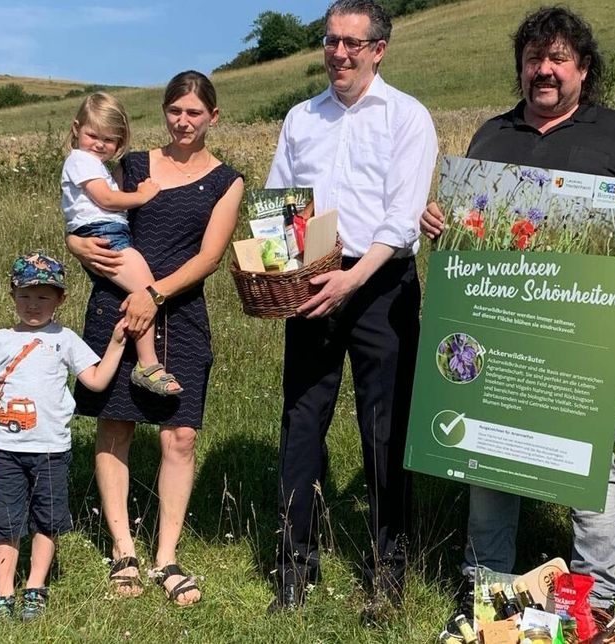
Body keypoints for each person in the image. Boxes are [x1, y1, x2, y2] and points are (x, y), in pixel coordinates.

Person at [420, 7, 615, 641]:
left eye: (558, 59)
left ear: (582, 69)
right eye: (534, 59)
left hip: (577, 336)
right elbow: (466, 223)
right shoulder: (491, 135)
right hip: (497, 328)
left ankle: (595, 594)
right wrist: (438, 223)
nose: (544, 70)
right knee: (485, 455)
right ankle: (487, 585)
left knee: (590, 459)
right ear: (521, 67)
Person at [264, 0, 437, 622]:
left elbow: (400, 218)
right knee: (302, 422)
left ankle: (387, 571)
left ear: (378, 51)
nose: (339, 54)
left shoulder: (407, 117)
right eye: (332, 41)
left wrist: (350, 280)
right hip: (311, 282)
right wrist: (285, 270)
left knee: (384, 430)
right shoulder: (300, 118)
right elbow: (280, 202)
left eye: (352, 44)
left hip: (380, 285)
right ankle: (294, 568)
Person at [66, 71, 244, 606]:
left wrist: (155, 295)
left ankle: (166, 555)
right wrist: (75, 247)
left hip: (181, 311)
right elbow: (92, 217)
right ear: (164, 112)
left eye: (194, 112)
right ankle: (124, 551)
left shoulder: (227, 181)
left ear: (213, 117)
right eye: (174, 110)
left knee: (180, 435)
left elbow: (209, 257)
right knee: (115, 424)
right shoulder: (134, 164)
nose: (183, 121)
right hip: (117, 306)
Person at [0, 252, 126, 620]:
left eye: (43, 297)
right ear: (12, 295)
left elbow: (97, 380)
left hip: (53, 451)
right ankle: (4, 593)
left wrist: (118, 343)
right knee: (6, 521)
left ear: (60, 299)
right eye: (25, 295)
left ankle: (35, 588)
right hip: (4, 450)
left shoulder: (66, 339)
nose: (33, 305)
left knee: (49, 519)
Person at [61, 92, 182, 396]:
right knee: (147, 292)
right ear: (76, 128)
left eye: (109, 139)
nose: (99, 144)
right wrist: (143, 195)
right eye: (92, 135)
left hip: (107, 234)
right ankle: (147, 364)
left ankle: (144, 360)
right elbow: (106, 199)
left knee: (142, 292)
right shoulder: (81, 160)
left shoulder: (93, 163)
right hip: (105, 235)